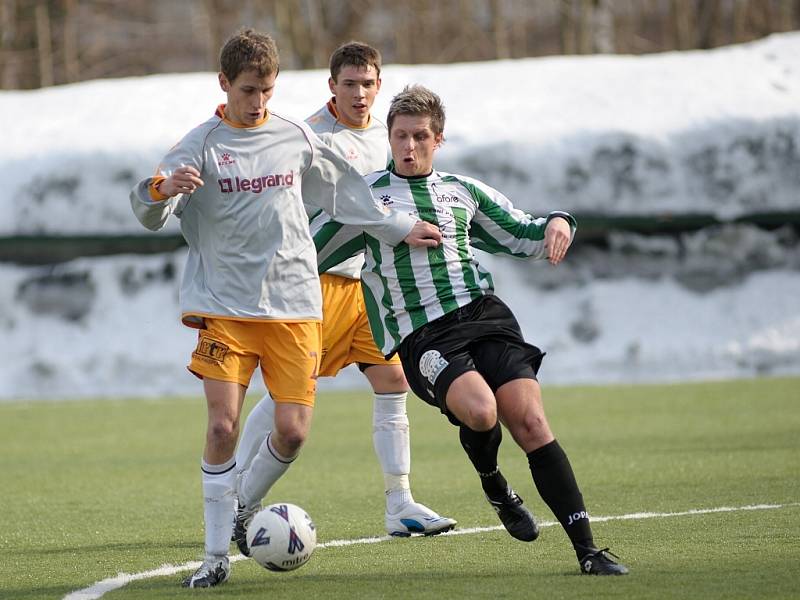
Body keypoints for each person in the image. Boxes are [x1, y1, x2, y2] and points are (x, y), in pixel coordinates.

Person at [129, 31, 441, 589]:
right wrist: (161, 188)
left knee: (293, 432)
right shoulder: (200, 144)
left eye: (267, 90)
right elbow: (149, 208)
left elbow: (349, 197)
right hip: (225, 308)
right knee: (222, 424)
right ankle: (215, 554)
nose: (258, 102)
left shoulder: (294, 137)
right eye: (248, 90)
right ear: (224, 85)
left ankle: (247, 506)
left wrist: (400, 226)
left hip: (295, 307)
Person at [315, 84, 629, 575]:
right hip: (425, 336)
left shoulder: (462, 191)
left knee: (529, 423)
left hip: (486, 317)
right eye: (400, 136)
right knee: (482, 412)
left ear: (438, 139)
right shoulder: (365, 198)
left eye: (420, 136)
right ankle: (494, 483)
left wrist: (559, 221)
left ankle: (588, 551)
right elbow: (307, 253)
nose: (409, 147)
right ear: (390, 138)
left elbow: (522, 231)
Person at [234, 41, 456, 540]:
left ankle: (400, 503)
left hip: (372, 284)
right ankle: (235, 491)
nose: (359, 93)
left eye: (368, 83)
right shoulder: (311, 137)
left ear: (379, 85)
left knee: (393, 381)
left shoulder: (390, 134)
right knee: (292, 389)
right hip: (320, 280)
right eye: (349, 84)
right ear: (332, 85)